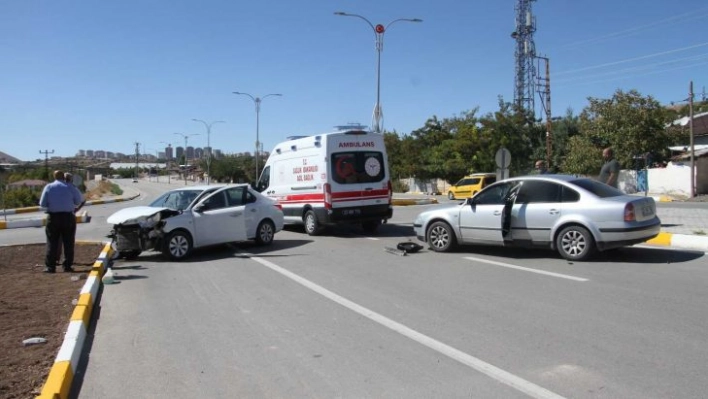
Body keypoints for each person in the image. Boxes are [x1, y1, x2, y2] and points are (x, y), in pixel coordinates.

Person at [39, 170, 84, 273]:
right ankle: (67, 266)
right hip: (68, 217)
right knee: (68, 242)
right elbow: (78, 200)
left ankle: (50, 267)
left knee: (52, 242)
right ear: (63, 177)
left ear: (54, 177)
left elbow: (42, 204)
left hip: (53, 217)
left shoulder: (49, 187)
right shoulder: (70, 187)